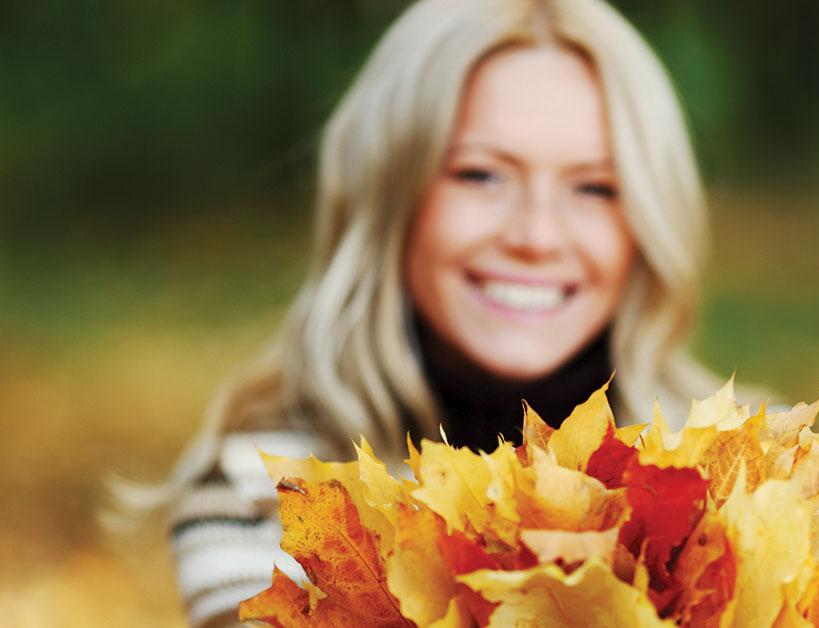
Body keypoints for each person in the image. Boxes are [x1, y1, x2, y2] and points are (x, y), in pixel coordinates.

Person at [112, 0, 757, 625]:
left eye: (594, 187)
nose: (536, 234)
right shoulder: (266, 490)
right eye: (480, 175)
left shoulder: (748, 478)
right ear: (388, 199)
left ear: (647, 223)